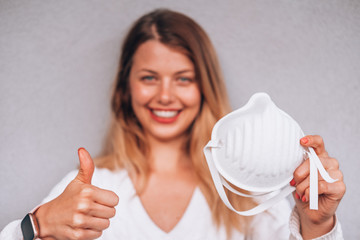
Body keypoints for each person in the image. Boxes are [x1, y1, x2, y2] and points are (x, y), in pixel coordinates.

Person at [1, 8, 345, 240]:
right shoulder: (88, 189)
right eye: (149, 77)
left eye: (183, 79)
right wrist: (38, 225)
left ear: (204, 88)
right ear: (125, 88)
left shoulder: (247, 189)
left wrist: (318, 225)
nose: (165, 96)